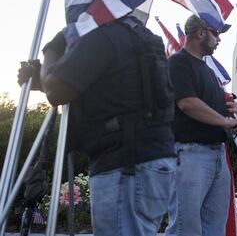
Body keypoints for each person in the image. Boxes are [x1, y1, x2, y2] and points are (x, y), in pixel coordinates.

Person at [18, 16, 176, 236]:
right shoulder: (136, 34)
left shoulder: (102, 34)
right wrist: (43, 80)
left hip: (125, 163)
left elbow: (57, 91)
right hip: (151, 159)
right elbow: (103, 89)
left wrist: (53, 48)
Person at [165, 15, 237, 236]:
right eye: (216, 34)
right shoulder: (178, 62)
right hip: (190, 155)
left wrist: (229, 107)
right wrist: (224, 121)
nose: (219, 40)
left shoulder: (208, 71)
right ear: (201, 33)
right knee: (185, 228)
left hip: (216, 155)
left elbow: (209, 104)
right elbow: (188, 103)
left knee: (214, 228)